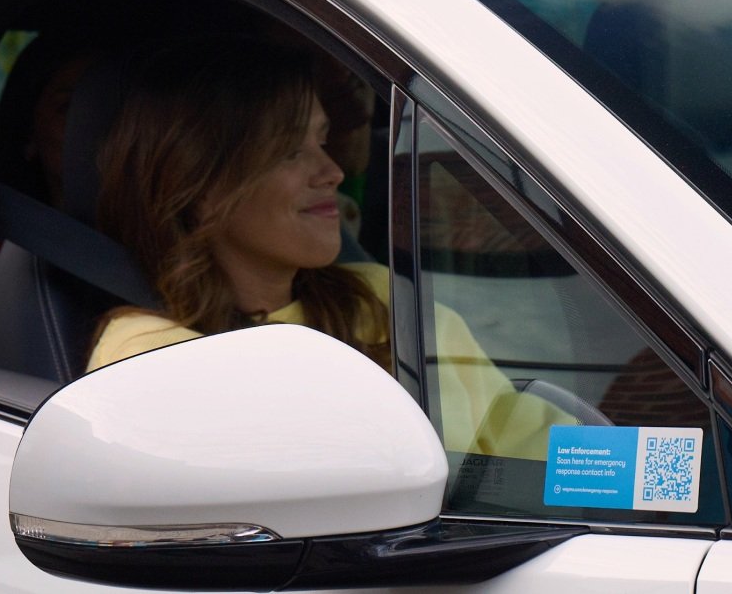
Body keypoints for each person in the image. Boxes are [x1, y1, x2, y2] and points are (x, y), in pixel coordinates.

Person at [86, 38, 569, 459]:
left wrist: (640, 475)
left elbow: (533, 443)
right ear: (201, 185)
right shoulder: (152, 356)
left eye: (321, 140)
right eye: (290, 151)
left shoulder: (382, 299)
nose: (333, 172)